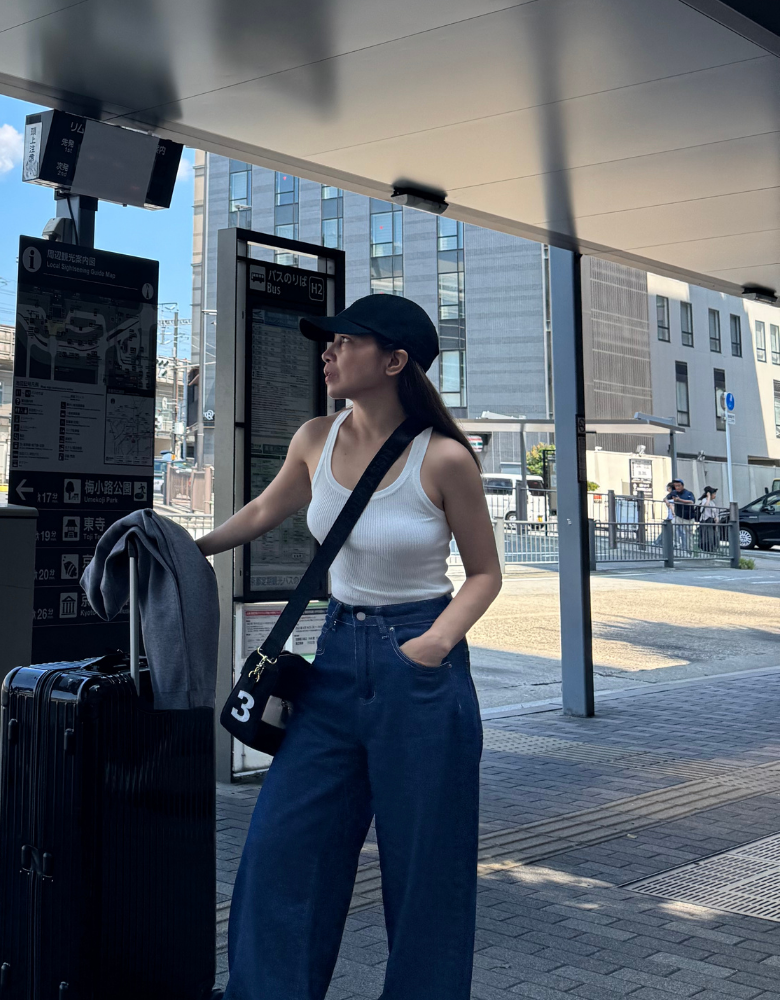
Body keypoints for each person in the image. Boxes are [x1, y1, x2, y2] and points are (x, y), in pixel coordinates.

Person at [197, 294, 501, 999]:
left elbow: (484, 574)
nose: (327, 351)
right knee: (282, 850)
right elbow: (263, 511)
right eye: (328, 341)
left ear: (395, 361)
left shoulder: (446, 458)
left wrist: (431, 644)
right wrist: (187, 547)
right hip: (333, 664)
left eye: (345, 341)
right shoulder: (315, 437)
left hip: (420, 670)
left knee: (426, 871)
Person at [664, 479, 697, 551]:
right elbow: (666, 498)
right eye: (676, 486)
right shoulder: (674, 492)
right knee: (672, 527)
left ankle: (689, 550)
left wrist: (680, 500)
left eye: (679, 486)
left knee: (689, 535)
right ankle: (675, 544)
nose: (677, 487)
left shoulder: (688, 493)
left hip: (688, 518)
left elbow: (691, 502)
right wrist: (667, 501)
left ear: (682, 486)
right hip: (678, 516)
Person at [697, 485, 721, 551]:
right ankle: (706, 548)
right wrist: (708, 497)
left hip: (711, 520)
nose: (715, 495)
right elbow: (705, 506)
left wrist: (716, 518)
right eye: (714, 494)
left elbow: (715, 512)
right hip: (705, 520)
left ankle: (713, 548)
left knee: (712, 535)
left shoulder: (713, 503)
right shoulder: (704, 500)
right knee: (706, 536)